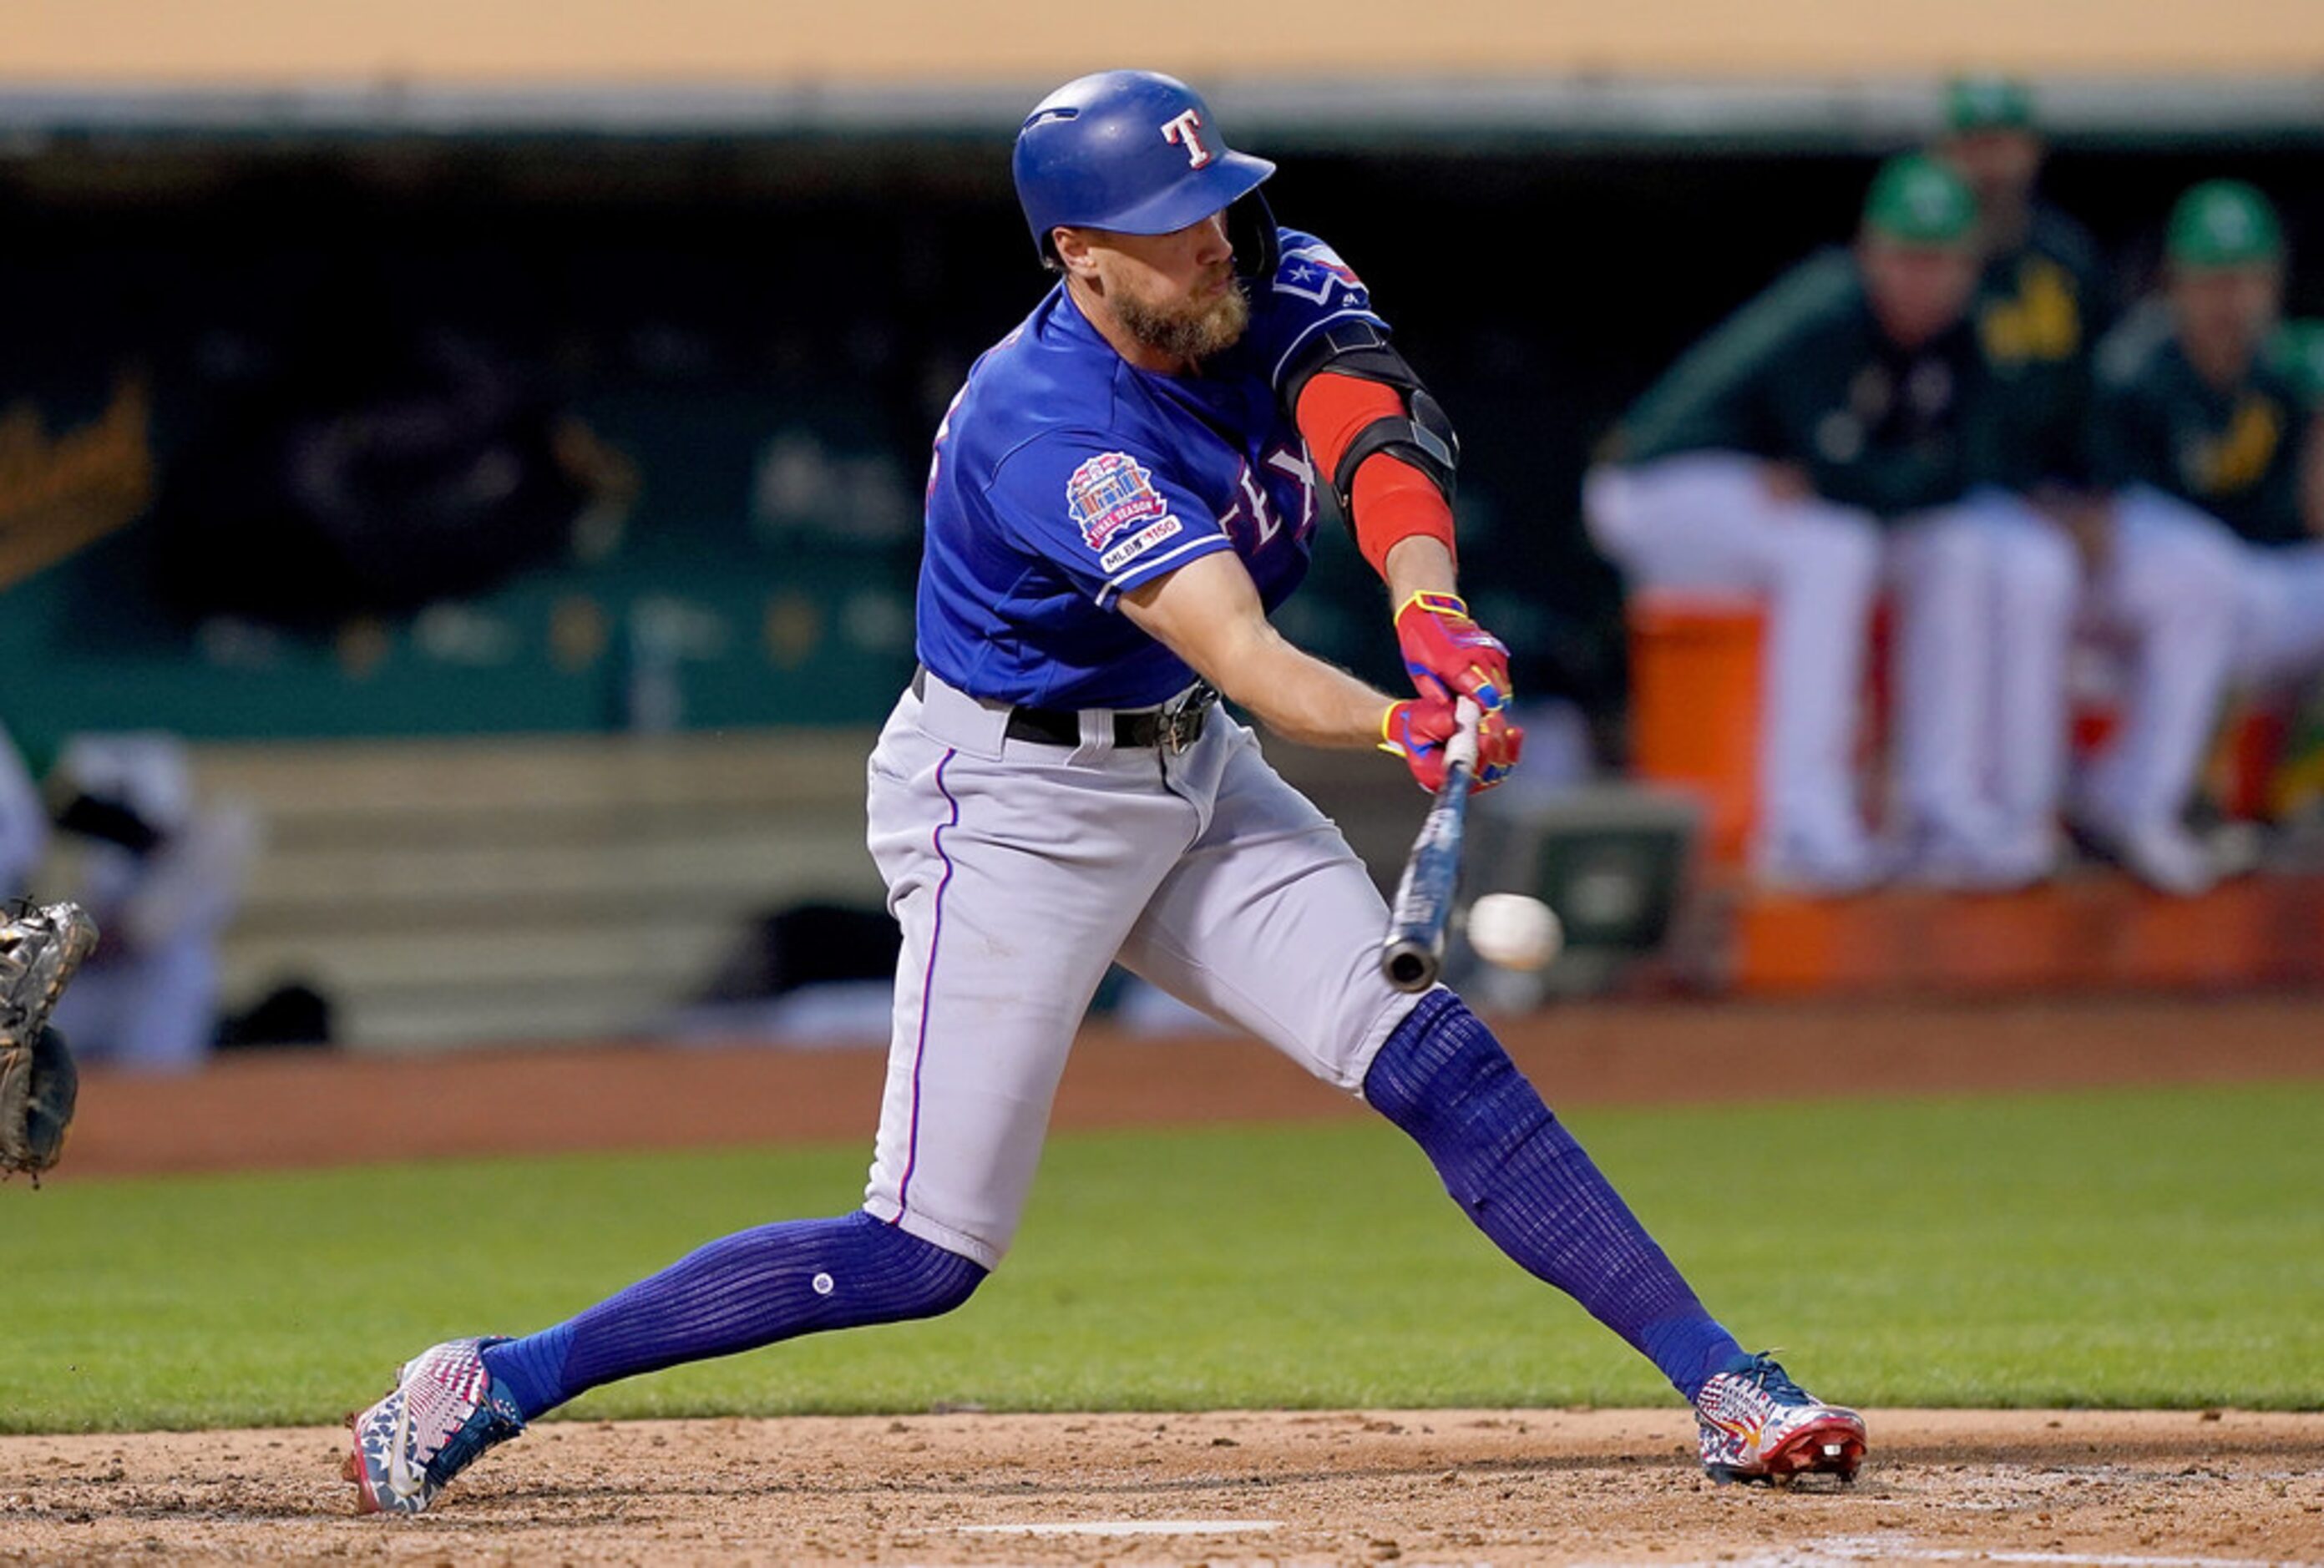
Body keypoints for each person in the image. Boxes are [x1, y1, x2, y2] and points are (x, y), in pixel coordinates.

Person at [343, 69, 1865, 1516]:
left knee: (1428, 1052)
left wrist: (1425, 604)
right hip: (1009, 805)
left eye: (1211, 202)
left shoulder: (1258, 270)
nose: (1210, 238)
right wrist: (1398, 716)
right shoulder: (1047, 428)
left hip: (1188, 763)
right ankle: (490, 1375)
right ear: (1077, 253)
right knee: (922, 1249)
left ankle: (1725, 1382)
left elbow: (1368, 432)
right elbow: (1243, 646)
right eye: (1166, 220)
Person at [1585, 155, 2076, 892]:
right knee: (1833, 549)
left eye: (1942, 262)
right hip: (1661, 487)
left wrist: (1849, 480)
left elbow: (1954, 470)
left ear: (1971, 267)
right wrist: (1854, 479)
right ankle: (1804, 826)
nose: (1923, 279)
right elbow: (1849, 471)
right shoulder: (1828, 310)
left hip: (1775, 493)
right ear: (1871, 252)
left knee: (1948, 550)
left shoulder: (1964, 336)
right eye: (1908, 258)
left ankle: (1942, 812)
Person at [2079, 181, 2324, 891]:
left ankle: (2295, 802)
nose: (2232, 301)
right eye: (2214, 280)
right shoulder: (2130, 375)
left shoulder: (2290, 370)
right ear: (2175, 284)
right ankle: (2154, 805)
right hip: (2133, 611)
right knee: (2200, 581)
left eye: (2248, 280)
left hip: (2244, 592)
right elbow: (2098, 520)